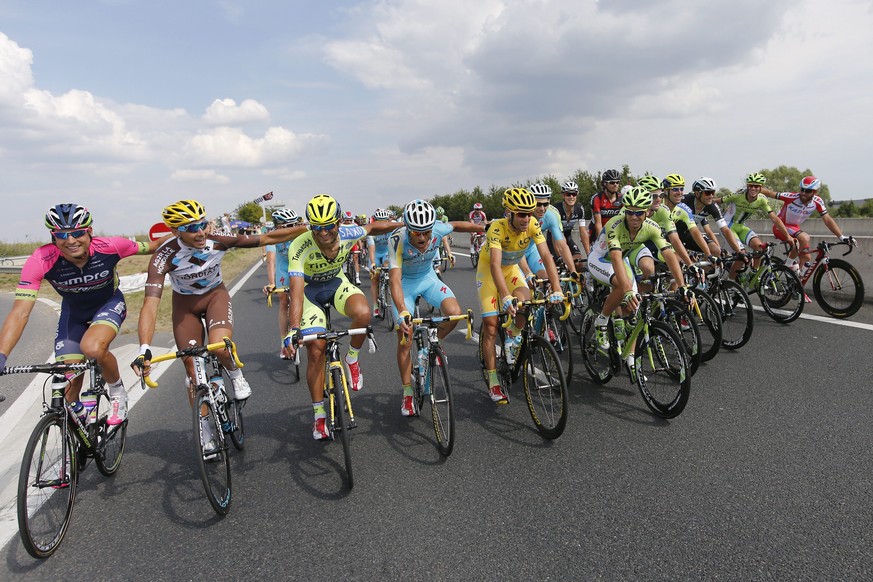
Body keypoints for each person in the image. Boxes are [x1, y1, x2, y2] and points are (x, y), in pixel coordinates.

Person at [132, 200, 308, 452]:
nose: (201, 231)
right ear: (175, 231)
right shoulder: (163, 257)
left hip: (216, 297)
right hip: (185, 306)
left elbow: (268, 238)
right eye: (192, 227)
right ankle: (204, 431)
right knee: (192, 369)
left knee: (220, 347)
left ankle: (236, 375)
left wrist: (309, 229)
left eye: (203, 223)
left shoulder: (219, 240)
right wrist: (144, 348)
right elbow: (150, 305)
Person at [0, 204, 166, 425]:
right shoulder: (40, 260)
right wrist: (2, 355)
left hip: (108, 303)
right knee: (66, 384)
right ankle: (79, 436)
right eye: (62, 235)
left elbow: (152, 246)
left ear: (89, 232)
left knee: (93, 348)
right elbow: (20, 313)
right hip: (74, 313)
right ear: (53, 237)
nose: (70, 241)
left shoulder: (111, 246)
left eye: (77, 233)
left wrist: (182, 232)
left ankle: (117, 393)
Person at [281, 195, 399, 440]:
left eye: (328, 226)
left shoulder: (349, 232)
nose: (323, 232)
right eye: (316, 227)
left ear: (338, 222)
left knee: (364, 313)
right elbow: (296, 290)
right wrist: (294, 328)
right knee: (315, 349)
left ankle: (352, 359)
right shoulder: (299, 245)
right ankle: (319, 416)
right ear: (309, 225)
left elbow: (374, 226)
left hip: (336, 284)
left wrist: (404, 224)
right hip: (310, 292)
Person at [389, 200, 484, 416]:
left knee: (454, 313)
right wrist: (403, 310)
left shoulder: (439, 229)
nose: (422, 238)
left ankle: (427, 350)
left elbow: (459, 225)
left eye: (426, 232)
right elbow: (394, 280)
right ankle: (407, 394)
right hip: (405, 284)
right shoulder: (397, 239)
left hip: (428, 278)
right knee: (405, 337)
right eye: (416, 233)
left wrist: (483, 227)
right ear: (407, 228)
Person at [587, 187, 691, 369]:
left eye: (639, 213)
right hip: (600, 259)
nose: (634, 217)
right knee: (622, 286)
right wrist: (627, 290)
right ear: (625, 210)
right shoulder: (614, 225)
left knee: (634, 308)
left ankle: (630, 354)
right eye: (630, 212)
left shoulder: (652, 227)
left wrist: (682, 285)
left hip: (624, 256)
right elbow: (615, 258)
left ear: (647, 212)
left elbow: (668, 254)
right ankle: (602, 320)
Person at [477, 188, 564, 404]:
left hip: (512, 268)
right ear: (509, 213)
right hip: (489, 271)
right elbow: (496, 265)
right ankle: (494, 380)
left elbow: (546, 255)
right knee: (490, 325)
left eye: (530, 213)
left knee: (525, 301)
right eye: (522, 214)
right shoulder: (497, 229)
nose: (527, 219)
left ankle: (513, 333)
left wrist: (556, 287)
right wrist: (505, 296)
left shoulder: (534, 225)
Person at [762, 175, 853, 269]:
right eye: (802, 189)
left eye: (808, 191)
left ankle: (795, 281)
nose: (803, 193)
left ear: (815, 192)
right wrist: (751, 189)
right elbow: (770, 193)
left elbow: (827, 219)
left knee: (806, 258)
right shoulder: (792, 197)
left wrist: (841, 237)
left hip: (794, 228)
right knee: (804, 238)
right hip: (781, 227)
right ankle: (787, 266)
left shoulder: (817, 202)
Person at [715, 173, 794, 278]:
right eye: (751, 185)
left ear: (761, 187)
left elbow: (774, 218)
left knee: (759, 247)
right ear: (747, 186)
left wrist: (788, 236)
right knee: (741, 256)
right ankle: (731, 284)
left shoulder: (762, 199)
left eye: (756, 186)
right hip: (728, 227)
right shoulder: (738, 196)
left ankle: (753, 273)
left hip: (741, 226)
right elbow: (717, 201)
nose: (753, 188)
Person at [262, 208, 304, 358]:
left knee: (305, 298)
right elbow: (271, 261)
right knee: (283, 301)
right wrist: (272, 283)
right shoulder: (273, 237)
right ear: (278, 227)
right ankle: (282, 342)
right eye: (287, 226)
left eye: (293, 225)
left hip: (300, 268)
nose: (291, 229)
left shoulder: (300, 233)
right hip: (283, 270)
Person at [680, 177, 746, 257]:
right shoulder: (684, 201)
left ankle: (704, 269)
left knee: (716, 251)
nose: (711, 196)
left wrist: (739, 252)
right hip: (673, 234)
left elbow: (725, 230)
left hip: (688, 234)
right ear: (697, 193)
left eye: (713, 192)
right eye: (707, 193)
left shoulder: (712, 206)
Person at [527, 183, 580, 280]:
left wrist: (573, 271)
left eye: (545, 204)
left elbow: (562, 245)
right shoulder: (521, 215)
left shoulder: (552, 215)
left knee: (546, 279)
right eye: (538, 204)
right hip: (515, 253)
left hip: (531, 250)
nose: (542, 209)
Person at [554, 180, 591, 264]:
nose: (571, 197)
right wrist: (560, 256)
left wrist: (589, 254)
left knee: (578, 261)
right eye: (568, 194)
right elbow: (555, 234)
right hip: (555, 239)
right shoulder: (556, 210)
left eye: (574, 194)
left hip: (568, 236)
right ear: (563, 195)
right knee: (561, 263)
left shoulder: (579, 209)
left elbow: (583, 232)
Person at [367, 208, 395, 317]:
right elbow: (371, 248)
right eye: (379, 221)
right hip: (376, 254)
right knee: (375, 279)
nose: (382, 223)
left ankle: (387, 285)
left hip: (386, 253)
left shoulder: (391, 229)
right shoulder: (371, 231)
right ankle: (375, 307)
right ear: (375, 221)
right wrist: (373, 263)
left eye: (385, 221)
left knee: (388, 265)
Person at [588, 169, 624, 245]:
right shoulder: (597, 198)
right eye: (612, 182)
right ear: (605, 184)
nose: (615, 185)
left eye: (617, 182)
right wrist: (600, 242)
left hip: (615, 231)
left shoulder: (622, 198)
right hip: (598, 231)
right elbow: (598, 223)